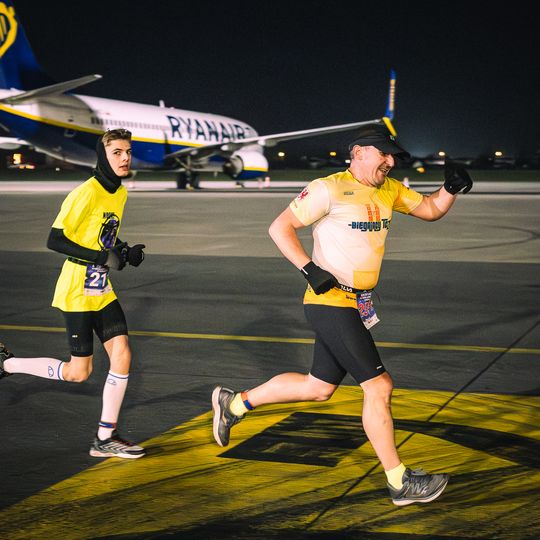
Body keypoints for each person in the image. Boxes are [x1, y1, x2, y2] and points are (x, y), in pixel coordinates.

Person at [212, 124, 473, 506]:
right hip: (330, 302)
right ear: (360, 152)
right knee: (379, 387)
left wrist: (450, 188)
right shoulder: (328, 188)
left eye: (392, 156)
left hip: (358, 303)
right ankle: (399, 481)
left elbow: (430, 210)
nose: (390, 161)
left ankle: (234, 404)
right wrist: (309, 268)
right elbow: (280, 227)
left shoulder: (389, 188)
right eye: (383, 153)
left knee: (318, 388)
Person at [0, 129, 147, 459]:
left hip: (101, 288)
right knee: (78, 372)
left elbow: (103, 236)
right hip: (77, 290)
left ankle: (105, 438)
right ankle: (8, 364)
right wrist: (101, 257)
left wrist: (124, 251)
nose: (125, 158)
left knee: (122, 354)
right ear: (102, 156)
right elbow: (55, 239)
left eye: (128, 151)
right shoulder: (86, 193)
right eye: (117, 152)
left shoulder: (119, 193)